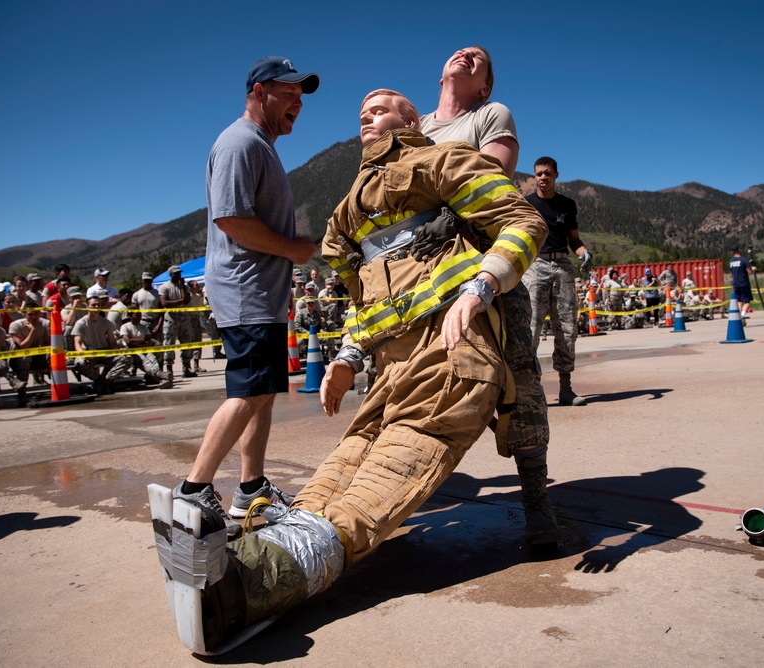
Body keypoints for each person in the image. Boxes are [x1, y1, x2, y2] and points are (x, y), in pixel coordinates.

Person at [153, 89, 547, 653]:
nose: (367, 113)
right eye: (362, 110)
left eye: (383, 108)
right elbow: (367, 302)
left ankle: (255, 584)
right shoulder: (350, 211)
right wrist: (346, 357)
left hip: (449, 356)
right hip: (385, 373)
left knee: (383, 482)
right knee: (333, 477)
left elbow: (521, 219)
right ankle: (241, 562)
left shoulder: (442, 161)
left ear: (414, 121)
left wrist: (482, 287)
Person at [172, 56, 320, 535]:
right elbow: (231, 220)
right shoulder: (240, 142)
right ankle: (194, 492)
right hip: (245, 288)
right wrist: (295, 249)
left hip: (263, 293)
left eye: (302, 95)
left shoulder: (263, 145)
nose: (298, 101)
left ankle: (251, 489)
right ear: (259, 91)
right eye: (289, 92)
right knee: (250, 389)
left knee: (263, 392)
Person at [418, 46, 557, 545]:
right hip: (423, 273)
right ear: (440, 75)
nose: (466, 55)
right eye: (459, 53)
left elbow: (489, 172)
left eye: (479, 59)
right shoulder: (413, 127)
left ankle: (536, 498)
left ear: (485, 86)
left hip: (483, 255)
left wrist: (449, 212)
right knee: (411, 380)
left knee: (519, 375)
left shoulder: (489, 115)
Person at [521, 156, 591, 407]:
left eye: (548, 173)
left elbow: (575, 240)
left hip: (562, 265)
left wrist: (584, 253)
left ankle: (566, 388)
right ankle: (529, 391)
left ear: (556, 176)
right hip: (535, 265)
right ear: (534, 176)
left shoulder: (567, 205)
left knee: (567, 329)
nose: (543, 177)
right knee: (531, 329)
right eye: (539, 173)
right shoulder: (526, 205)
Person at [72, 296, 133, 395]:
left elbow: (112, 342)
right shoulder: (80, 323)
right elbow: (77, 343)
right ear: (87, 307)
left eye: (98, 305)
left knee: (128, 359)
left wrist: (119, 350)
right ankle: (100, 381)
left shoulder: (106, 323)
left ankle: (106, 381)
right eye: (93, 305)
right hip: (89, 352)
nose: (96, 307)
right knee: (80, 363)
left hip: (105, 352)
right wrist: (82, 354)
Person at [158, 265, 195, 380]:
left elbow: (187, 300)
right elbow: (165, 303)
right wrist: (180, 301)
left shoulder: (183, 287)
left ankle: (186, 367)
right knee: (170, 343)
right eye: (175, 273)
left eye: (179, 273)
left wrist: (183, 287)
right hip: (171, 318)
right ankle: (169, 368)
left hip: (184, 317)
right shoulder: (165, 287)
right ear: (171, 274)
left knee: (186, 342)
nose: (178, 275)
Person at [119, 310, 168, 388]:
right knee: (145, 363)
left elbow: (148, 342)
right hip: (133, 352)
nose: (138, 318)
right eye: (136, 315)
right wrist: (141, 340)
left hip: (144, 350)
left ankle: (160, 377)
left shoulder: (143, 327)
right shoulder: (125, 327)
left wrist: (136, 342)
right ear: (130, 316)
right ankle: (162, 377)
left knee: (153, 360)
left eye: (140, 315)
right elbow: (128, 341)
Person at [132, 273, 162, 337]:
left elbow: (162, 311)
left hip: (155, 321)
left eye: (149, 280)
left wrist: (159, 325)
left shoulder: (157, 293)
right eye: (145, 280)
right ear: (142, 281)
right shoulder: (137, 294)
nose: (147, 282)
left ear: (152, 281)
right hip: (142, 322)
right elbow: (134, 311)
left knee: (158, 343)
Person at [728, 244, 755, 315]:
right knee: (747, 301)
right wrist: (753, 269)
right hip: (744, 283)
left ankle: (739, 316)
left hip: (735, 283)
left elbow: (731, 273)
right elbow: (750, 272)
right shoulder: (744, 260)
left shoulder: (730, 261)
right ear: (739, 250)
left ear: (732, 252)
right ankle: (743, 314)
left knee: (739, 301)